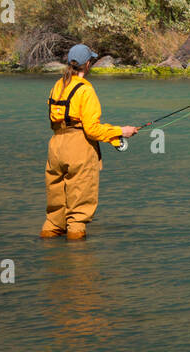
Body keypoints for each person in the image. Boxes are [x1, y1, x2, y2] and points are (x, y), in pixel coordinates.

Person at [40, 43, 138, 240]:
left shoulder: (58, 86)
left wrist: (112, 138)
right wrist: (121, 131)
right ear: (87, 65)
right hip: (79, 148)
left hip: (55, 146)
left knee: (54, 214)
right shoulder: (86, 90)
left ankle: (50, 255)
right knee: (78, 212)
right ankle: (79, 263)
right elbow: (91, 129)